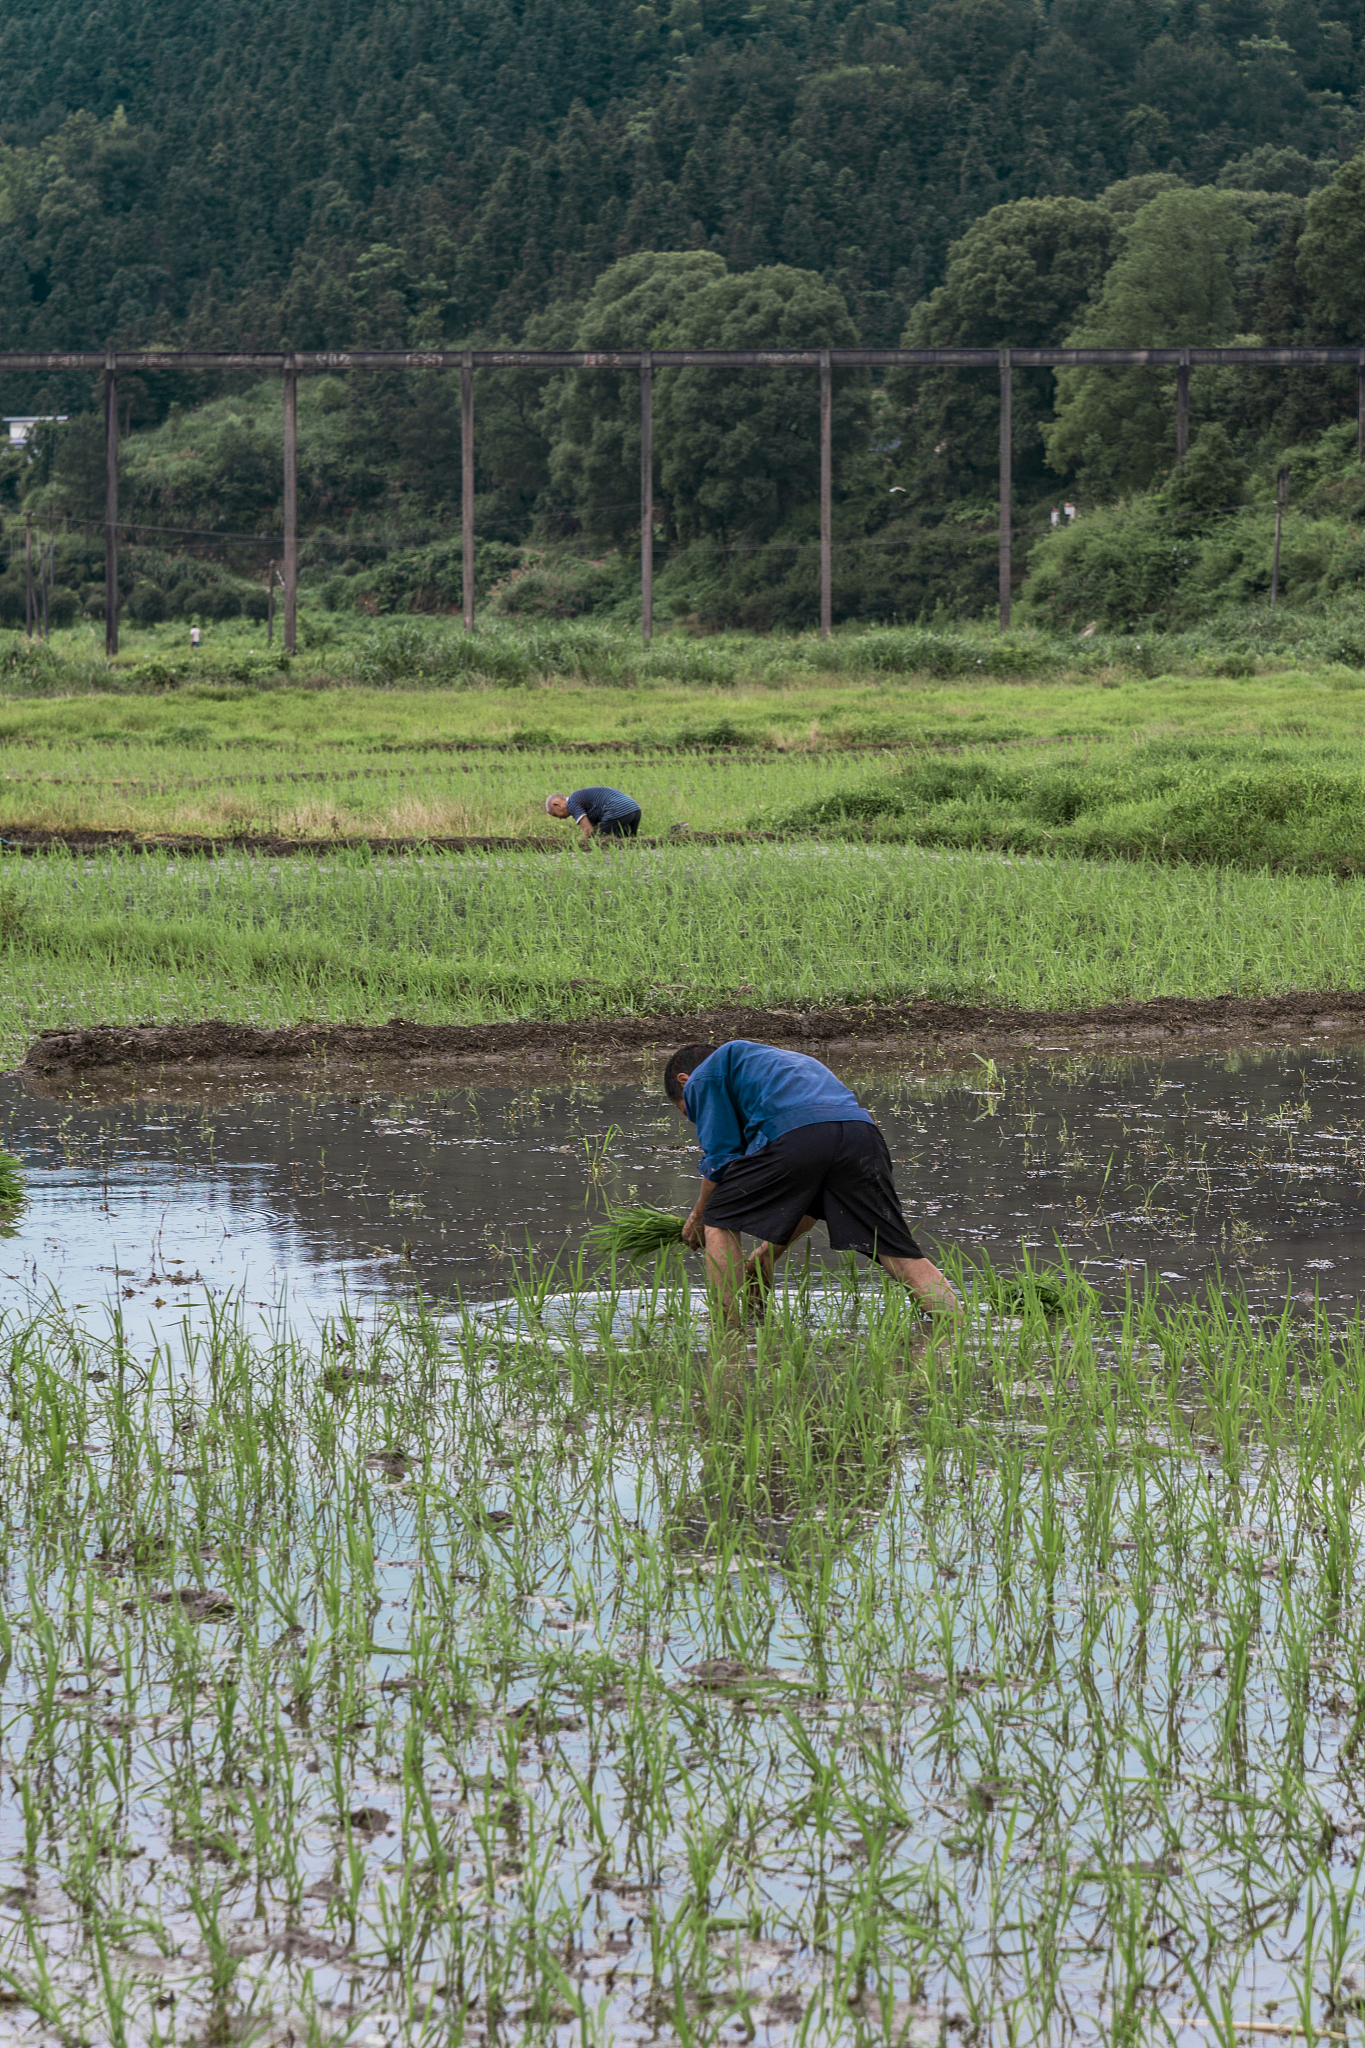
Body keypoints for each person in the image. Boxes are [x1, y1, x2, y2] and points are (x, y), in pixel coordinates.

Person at [664, 1038, 958, 1323]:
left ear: (684, 1080)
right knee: (892, 1246)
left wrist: (699, 1216)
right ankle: (960, 1330)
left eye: (689, 1110)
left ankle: (728, 1330)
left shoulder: (703, 1077)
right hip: (861, 1136)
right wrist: (766, 1255)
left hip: (798, 1134)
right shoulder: (781, 1065)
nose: (697, 1116)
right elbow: (807, 1198)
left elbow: (720, 1162)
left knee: (720, 1218)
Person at [545, 787, 642, 844]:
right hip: (634, 808)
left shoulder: (571, 802)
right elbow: (596, 826)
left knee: (597, 841)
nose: (560, 818)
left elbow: (588, 830)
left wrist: (583, 845)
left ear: (557, 804)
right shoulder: (581, 799)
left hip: (617, 809)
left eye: (556, 814)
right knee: (628, 842)